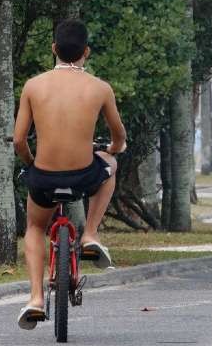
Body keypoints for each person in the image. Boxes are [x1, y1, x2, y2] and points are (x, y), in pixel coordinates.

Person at [12, 20, 127, 330]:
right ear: (85, 52)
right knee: (110, 165)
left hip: (45, 178)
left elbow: (20, 140)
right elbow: (118, 136)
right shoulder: (100, 88)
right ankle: (90, 233)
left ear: (54, 50)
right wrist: (115, 147)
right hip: (83, 176)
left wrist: (31, 162)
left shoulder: (33, 86)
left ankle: (35, 298)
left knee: (35, 227)